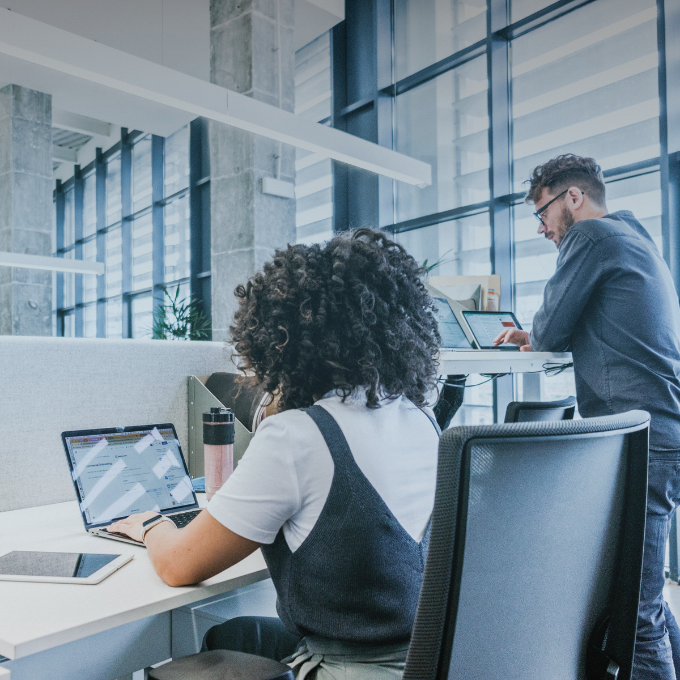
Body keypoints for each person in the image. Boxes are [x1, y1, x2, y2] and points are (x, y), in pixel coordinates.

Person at [109, 228, 442, 679]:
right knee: (234, 637)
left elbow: (177, 564)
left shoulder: (300, 436)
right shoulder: (420, 418)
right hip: (428, 657)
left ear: (280, 339)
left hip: (350, 669)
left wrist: (153, 525)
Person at [494, 154, 680, 680]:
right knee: (646, 599)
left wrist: (539, 334)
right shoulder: (633, 234)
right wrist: (538, 336)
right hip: (661, 430)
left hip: (644, 439)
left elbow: (553, 328)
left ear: (573, 198)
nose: (542, 228)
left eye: (543, 213)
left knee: (637, 616)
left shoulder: (591, 238)